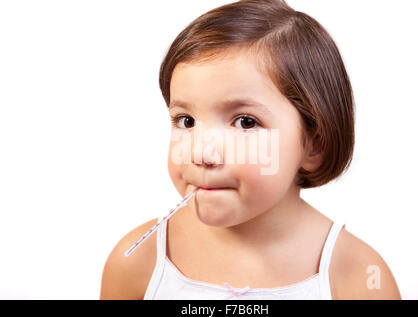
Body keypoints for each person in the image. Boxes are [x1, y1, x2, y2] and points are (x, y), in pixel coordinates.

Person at [100, 0, 401, 300]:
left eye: (245, 122)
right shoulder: (138, 262)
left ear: (314, 145)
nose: (202, 153)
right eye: (186, 120)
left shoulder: (358, 277)